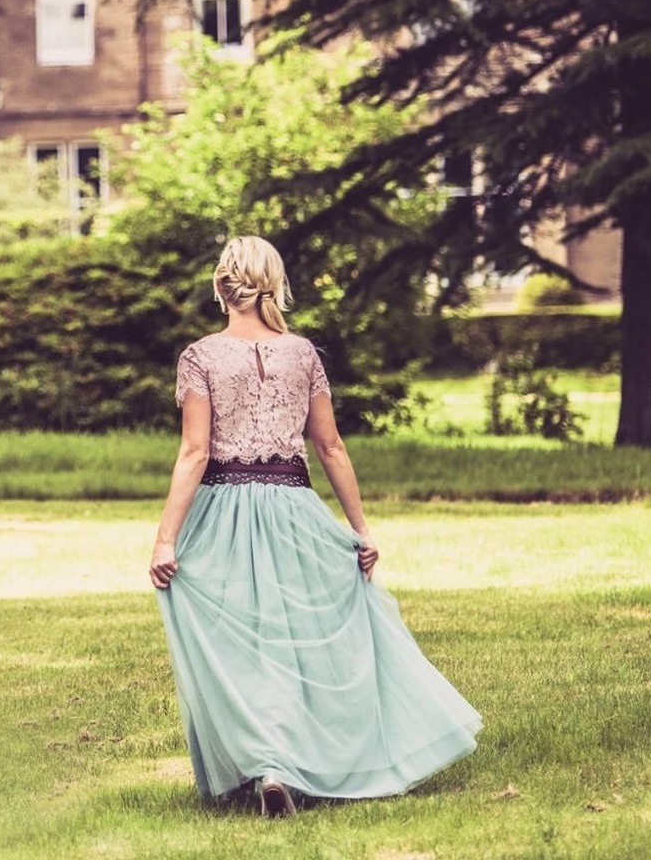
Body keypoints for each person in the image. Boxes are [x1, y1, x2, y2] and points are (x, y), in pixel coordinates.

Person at [150, 235, 481, 817]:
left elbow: (195, 453)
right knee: (295, 640)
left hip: (223, 509)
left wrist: (166, 539)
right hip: (294, 508)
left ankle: (268, 765)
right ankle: (289, 764)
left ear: (221, 286)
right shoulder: (303, 353)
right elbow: (329, 447)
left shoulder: (200, 356)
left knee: (243, 643)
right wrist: (361, 528)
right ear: (272, 283)